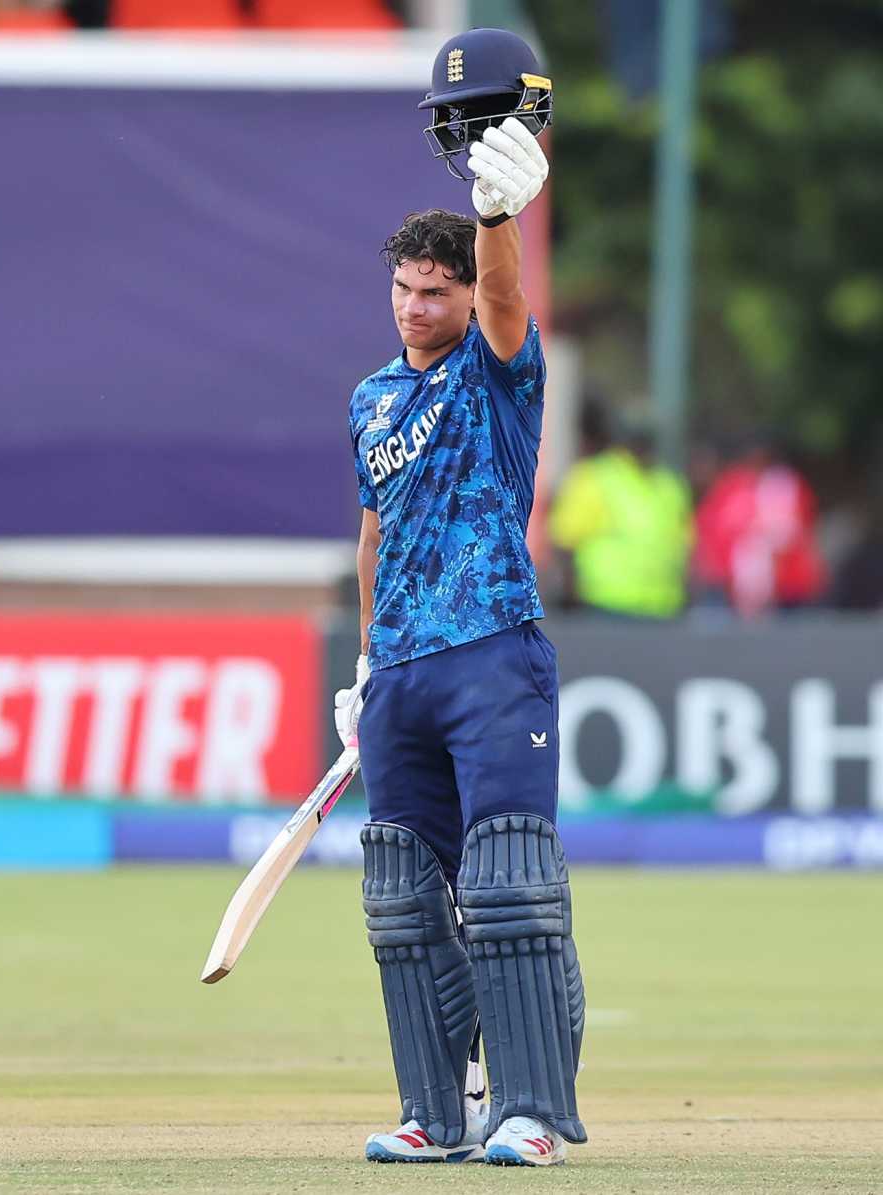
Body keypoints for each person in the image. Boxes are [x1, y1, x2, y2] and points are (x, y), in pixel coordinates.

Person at [333, 28, 586, 1169]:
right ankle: (435, 1111)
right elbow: (375, 527)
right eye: (402, 290)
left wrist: (496, 218)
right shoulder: (373, 400)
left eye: (432, 292)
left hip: (493, 651)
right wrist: (363, 659)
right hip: (402, 670)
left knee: (509, 882)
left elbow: (499, 298)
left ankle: (529, 1112)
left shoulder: (498, 364)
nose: (415, 310)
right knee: (400, 893)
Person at [547, 399, 693, 619]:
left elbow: (683, 546)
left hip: (663, 606)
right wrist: (570, 593)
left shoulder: (669, 484)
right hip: (605, 605)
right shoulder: (593, 477)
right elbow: (564, 541)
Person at [693, 435, 826, 618]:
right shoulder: (730, 489)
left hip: (788, 589)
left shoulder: (786, 485)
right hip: (734, 591)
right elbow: (711, 532)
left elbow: (798, 532)